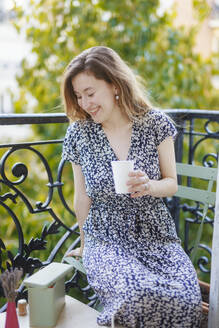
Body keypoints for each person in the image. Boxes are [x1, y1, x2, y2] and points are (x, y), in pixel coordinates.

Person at [61, 46, 202, 327]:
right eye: (78, 96)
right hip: (105, 237)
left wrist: (149, 186)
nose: (85, 103)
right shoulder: (79, 133)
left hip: (156, 235)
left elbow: (171, 183)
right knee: (135, 295)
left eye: (90, 93)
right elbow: (82, 198)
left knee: (186, 299)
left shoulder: (155, 124)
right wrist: (87, 246)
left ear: (114, 84)